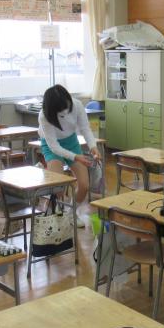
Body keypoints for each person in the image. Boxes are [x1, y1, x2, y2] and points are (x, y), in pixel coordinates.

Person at [38, 84, 99, 228]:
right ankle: (55, 212)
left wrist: (93, 147)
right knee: (57, 187)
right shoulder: (44, 116)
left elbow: (85, 128)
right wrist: (76, 157)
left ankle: (71, 213)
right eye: (61, 111)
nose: (65, 111)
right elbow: (54, 146)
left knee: (84, 184)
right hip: (52, 146)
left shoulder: (76, 105)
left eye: (67, 106)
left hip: (71, 141)